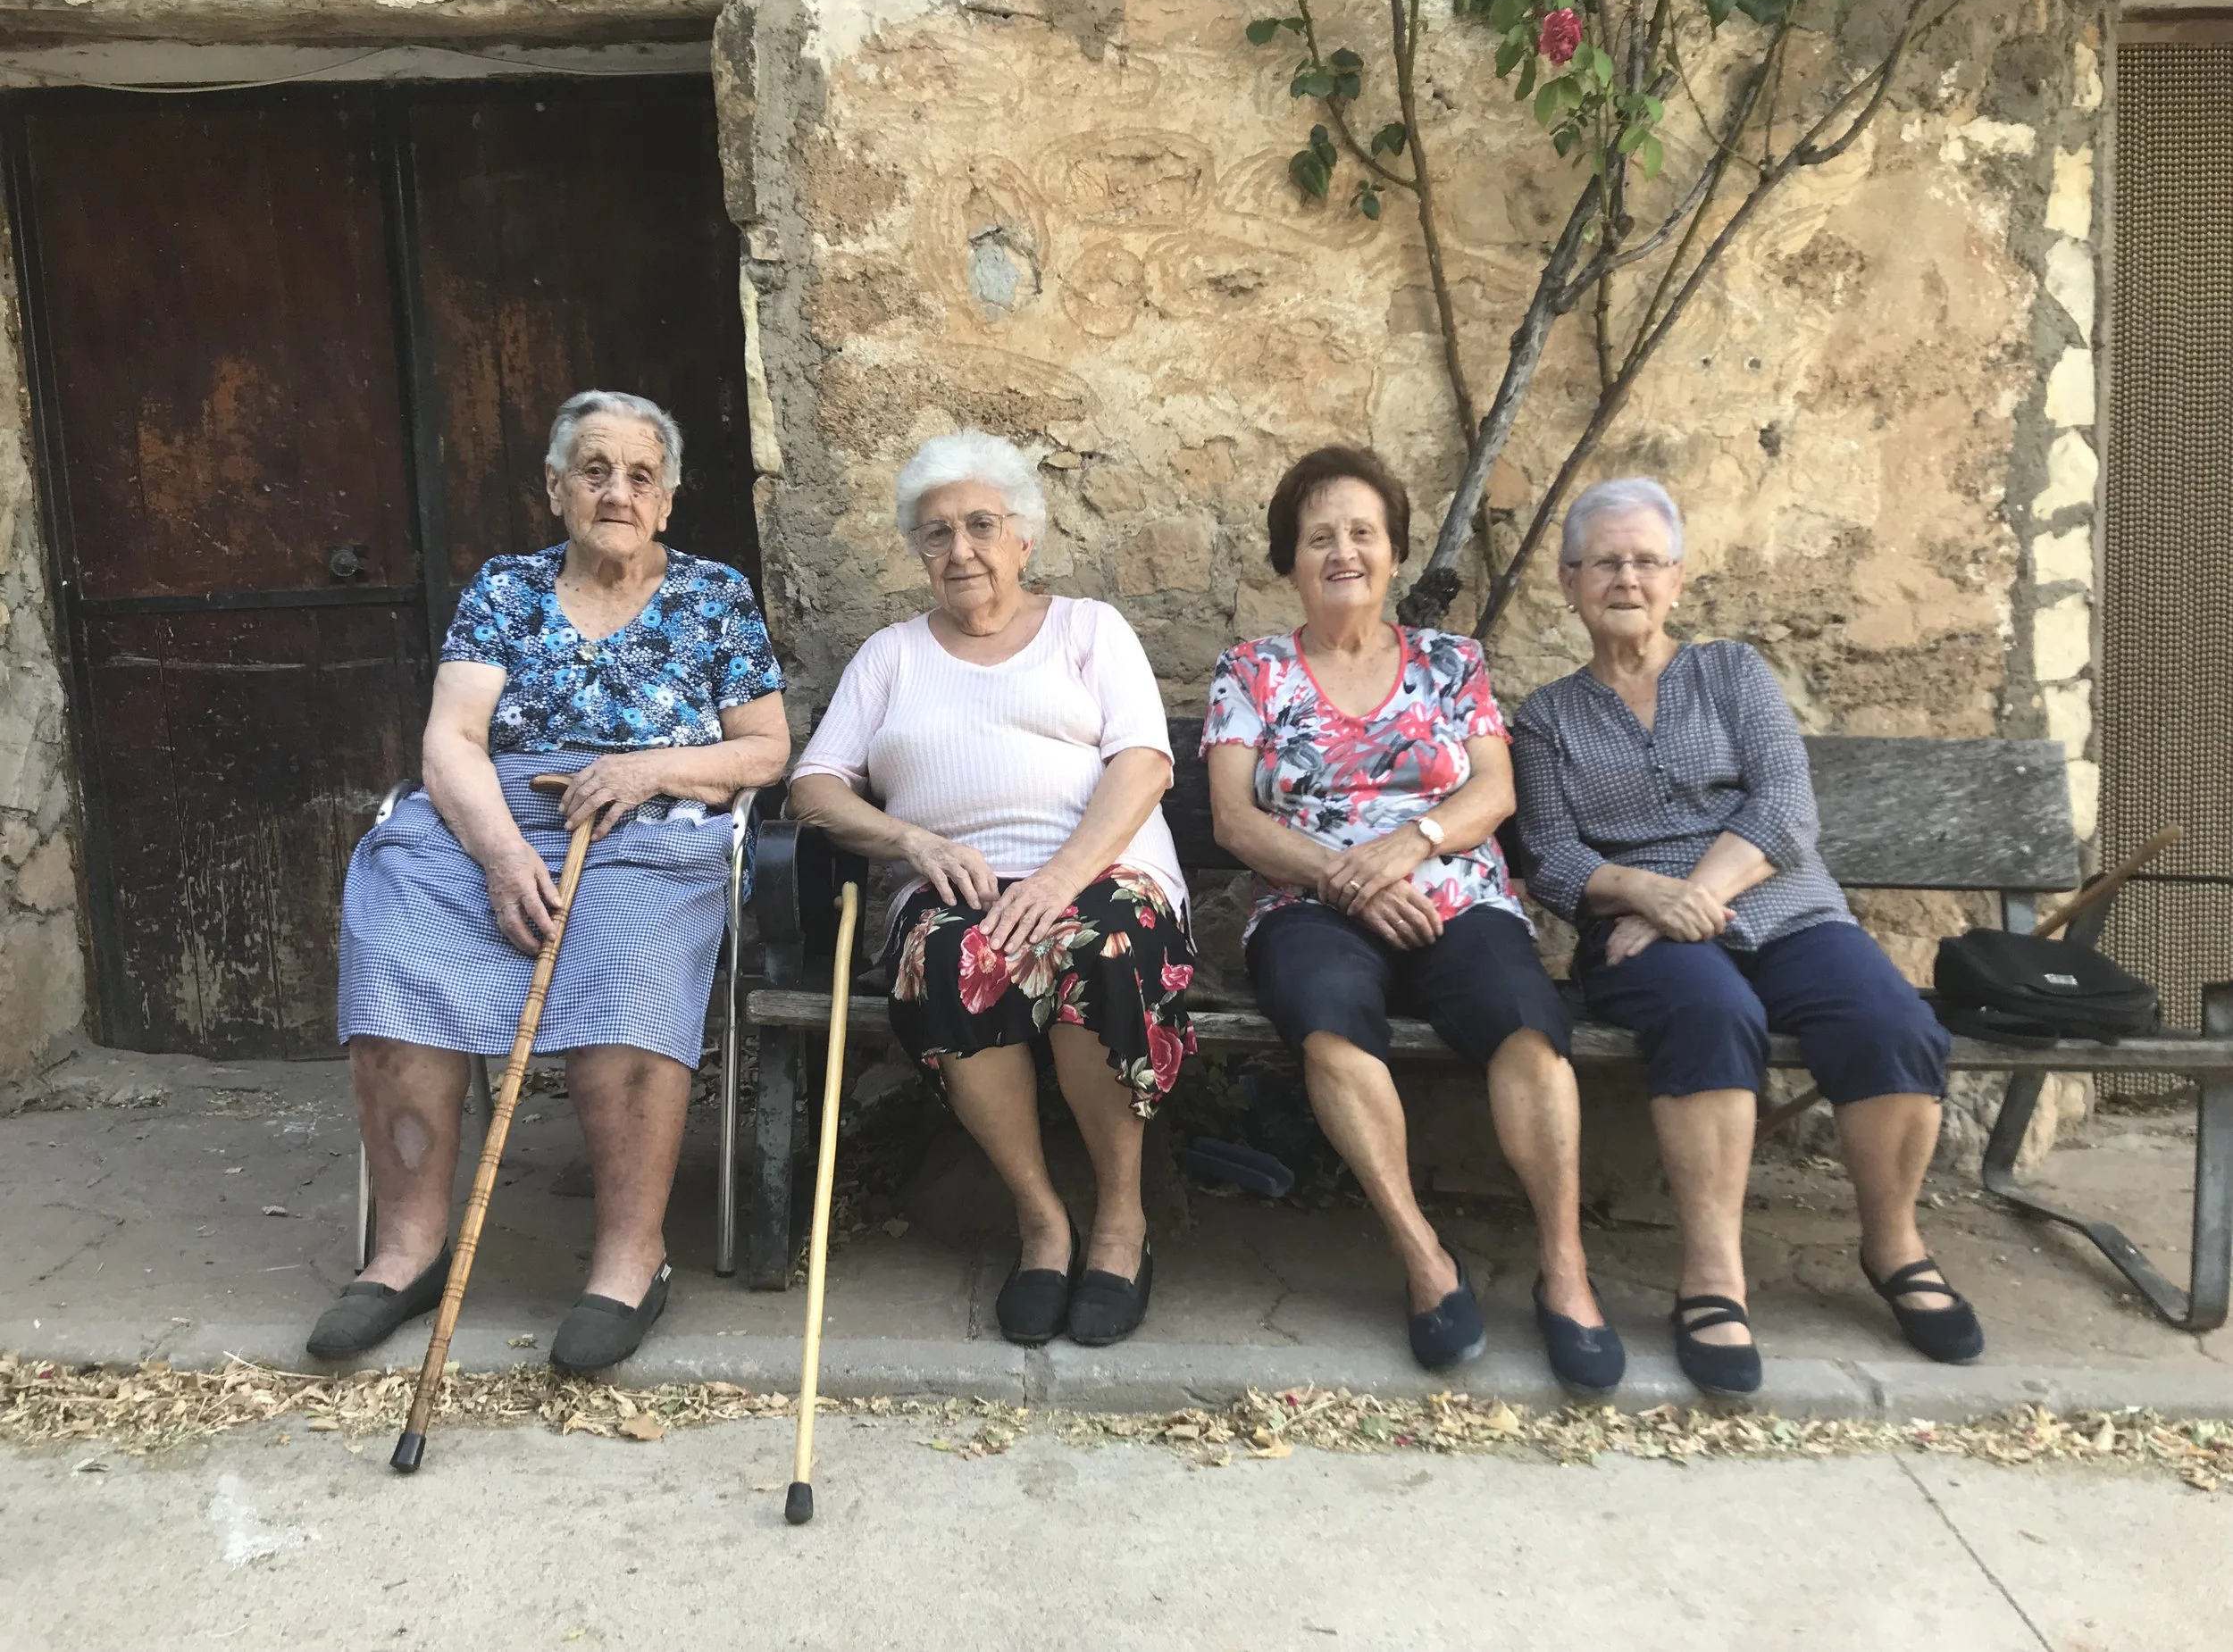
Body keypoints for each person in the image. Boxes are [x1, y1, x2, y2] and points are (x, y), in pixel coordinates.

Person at [313, 390, 790, 1372]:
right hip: (495, 811)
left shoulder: (715, 596)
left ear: (668, 498)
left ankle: (629, 1261)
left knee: (623, 967)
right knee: (398, 938)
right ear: (555, 488)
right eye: (594, 470)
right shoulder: (505, 588)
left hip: (657, 817)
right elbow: (452, 738)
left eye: (640, 475)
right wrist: (497, 853)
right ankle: (407, 1252)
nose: (618, 491)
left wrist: (650, 767)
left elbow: (766, 751)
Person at [1511, 476, 1983, 1397]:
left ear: (1677, 580)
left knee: (1889, 1022)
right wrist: (1648, 898)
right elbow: (1554, 858)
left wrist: (1689, 894)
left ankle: (1893, 1245)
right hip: (1648, 945)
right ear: (1567, 583)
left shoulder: (1732, 675)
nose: (1626, 578)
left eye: (1646, 561)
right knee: (1710, 1014)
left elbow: (1783, 809)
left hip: (1786, 911)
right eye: (1605, 561)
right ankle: (1713, 1276)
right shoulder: (1547, 718)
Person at [1202, 445, 1623, 1390]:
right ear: (1290, 561)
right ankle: (1423, 1257)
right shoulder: (1252, 671)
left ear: (1393, 552)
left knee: (1525, 1026)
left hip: (1454, 890)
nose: (1342, 551)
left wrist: (1412, 845)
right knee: (1326, 1023)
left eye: (1362, 532)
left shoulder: (1449, 660)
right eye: (1319, 537)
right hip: (1308, 901)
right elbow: (1234, 818)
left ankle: (1564, 1269)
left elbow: (1494, 789)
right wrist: (1344, 875)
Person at [790, 430, 1195, 1349]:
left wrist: (1060, 879)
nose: (960, 550)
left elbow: (1142, 766)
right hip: (955, 879)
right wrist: (909, 839)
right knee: (947, 956)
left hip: (1100, 870)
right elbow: (813, 788)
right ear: (918, 552)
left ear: (1025, 538)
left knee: (1101, 944)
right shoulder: (891, 655)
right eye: (936, 534)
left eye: (980, 525)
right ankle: (1042, 1222)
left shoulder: (1089, 630)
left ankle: (1122, 1222)